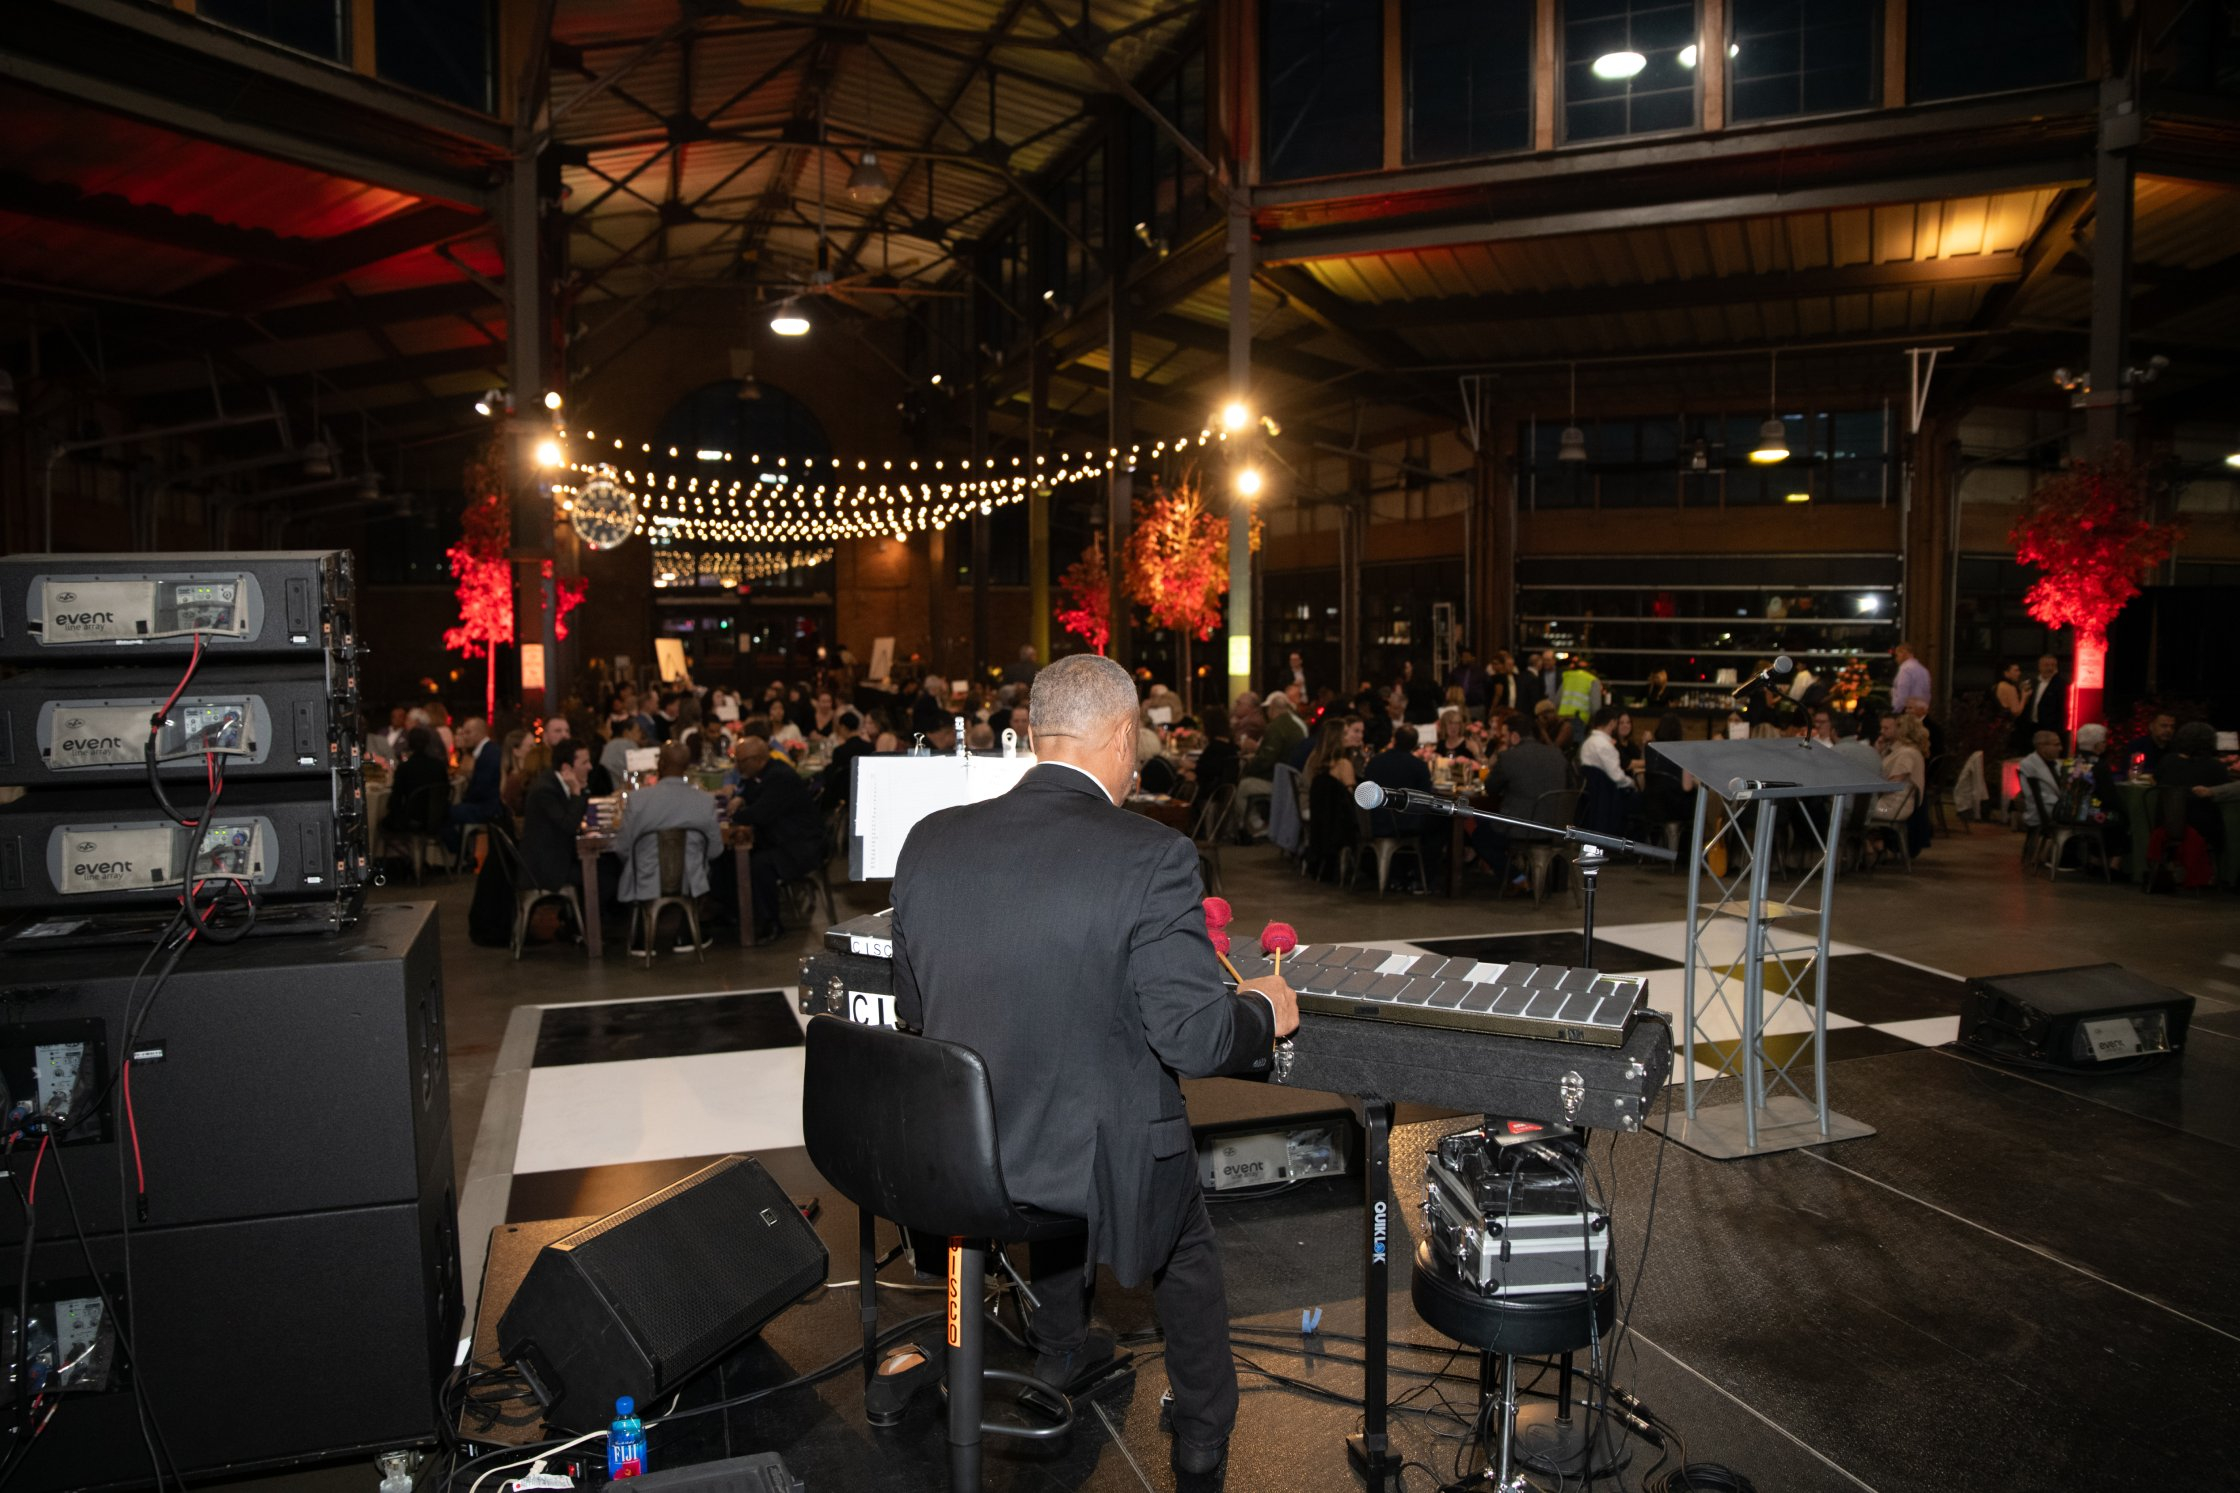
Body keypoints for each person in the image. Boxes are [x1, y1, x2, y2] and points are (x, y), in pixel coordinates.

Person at [888, 654, 1298, 1493]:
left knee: (1059, 1117)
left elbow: (913, 1010)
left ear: (1037, 734)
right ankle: (1200, 1433)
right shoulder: (1154, 855)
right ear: (1120, 735)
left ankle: (1063, 1345)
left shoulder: (930, 840)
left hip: (965, 1160)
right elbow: (1194, 1038)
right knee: (1185, 1238)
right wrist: (1265, 1010)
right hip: (1087, 1163)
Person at [613, 742, 722, 950]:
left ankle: (641, 937)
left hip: (645, 879)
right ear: (687, 767)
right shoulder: (704, 801)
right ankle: (685, 933)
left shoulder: (638, 800)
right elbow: (715, 851)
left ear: (660, 764)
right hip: (689, 881)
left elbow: (623, 848)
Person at [729, 735, 825, 944]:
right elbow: (752, 792)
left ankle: (771, 923)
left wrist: (731, 817)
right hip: (787, 840)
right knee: (731, 859)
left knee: (758, 865)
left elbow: (760, 814)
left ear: (759, 760)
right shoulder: (769, 771)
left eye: (741, 761)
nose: (737, 766)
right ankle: (734, 914)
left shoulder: (779, 777)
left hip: (801, 847)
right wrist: (742, 797)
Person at [1483, 710, 1569, 874]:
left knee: (1479, 833)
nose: (1505, 740)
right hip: (1556, 828)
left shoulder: (1509, 757)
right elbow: (1569, 788)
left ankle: (1517, 879)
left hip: (1522, 829)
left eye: (1505, 736)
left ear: (1514, 736)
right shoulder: (1557, 754)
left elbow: (1490, 788)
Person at [2150, 721, 2229, 890]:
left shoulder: (2168, 760)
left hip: (2166, 824)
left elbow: (2155, 780)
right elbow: (2224, 789)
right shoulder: (2215, 766)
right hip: (2201, 827)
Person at [1364, 723, 1439, 887]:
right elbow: (1425, 799)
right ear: (1415, 744)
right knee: (1439, 826)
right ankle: (1422, 877)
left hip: (1373, 820)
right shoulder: (1418, 766)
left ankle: (1398, 874)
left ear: (1394, 740)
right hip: (1403, 824)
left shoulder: (1375, 762)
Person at [519, 738, 592, 895]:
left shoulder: (556, 782)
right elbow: (569, 826)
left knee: (608, 866)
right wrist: (577, 792)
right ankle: (595, 918)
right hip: (548, 868)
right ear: (567, 767)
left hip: (560, 857)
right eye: (585, 763)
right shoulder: (545, 790)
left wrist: (581, 790)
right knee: (605, 876)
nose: (590, 767)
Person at [1578, 706, 1638, 836]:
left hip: (1593, 798)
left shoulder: (1588, 743)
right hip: (1608, 799)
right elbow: (1617, 778)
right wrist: (1633, 783)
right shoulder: (1606, 746)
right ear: (1612, 723)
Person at [447, 717, 505, 850]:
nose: (464, 737)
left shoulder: (489, 754)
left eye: (468, 733)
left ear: (480, 733)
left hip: (488, 808)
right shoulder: (488, 751)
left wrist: (465, 800)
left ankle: (457, 853)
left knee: (444, 813)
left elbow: (482, 788)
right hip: (487, 805)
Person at [2014, 730, 2065, 830]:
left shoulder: (2056, 763)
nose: (2060, 748)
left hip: (2055, 807)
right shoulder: (2029, 764)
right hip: (2043, 811)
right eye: (2056, 745)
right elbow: (2037, 796)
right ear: (2041, 746)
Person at [1554, 656, 1603, 736]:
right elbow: (1595, 708)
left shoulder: (1567, 678)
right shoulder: (1592, 680)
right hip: (1579, 721)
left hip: (1561, 719)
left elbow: (1556, 702)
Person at [2024, 653, 2065, 739]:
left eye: (2053, 665)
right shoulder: (2032, 683)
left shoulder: (2061, 684)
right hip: (2031, 726)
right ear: (2039, 667)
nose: (2050, 668)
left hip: (2050, 728)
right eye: (2046, 665)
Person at [1995, 662, 2029, 755]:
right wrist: (2024, 697)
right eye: (2015, 670)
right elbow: (2016, 711)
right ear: (2006, 673)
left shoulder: (1999, 685)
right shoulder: (2009, 687)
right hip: (2008, 726)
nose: (2019, 673)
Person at [1889, 642, 1931, 715]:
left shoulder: (1905, 670)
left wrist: (1896, 711)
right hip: (1922, 711)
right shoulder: (1923, 670)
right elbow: (1927, 693)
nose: (1896, 659)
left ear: (1904, 653)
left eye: (1897, 655)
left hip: (1908, 712)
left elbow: (1902, 694)